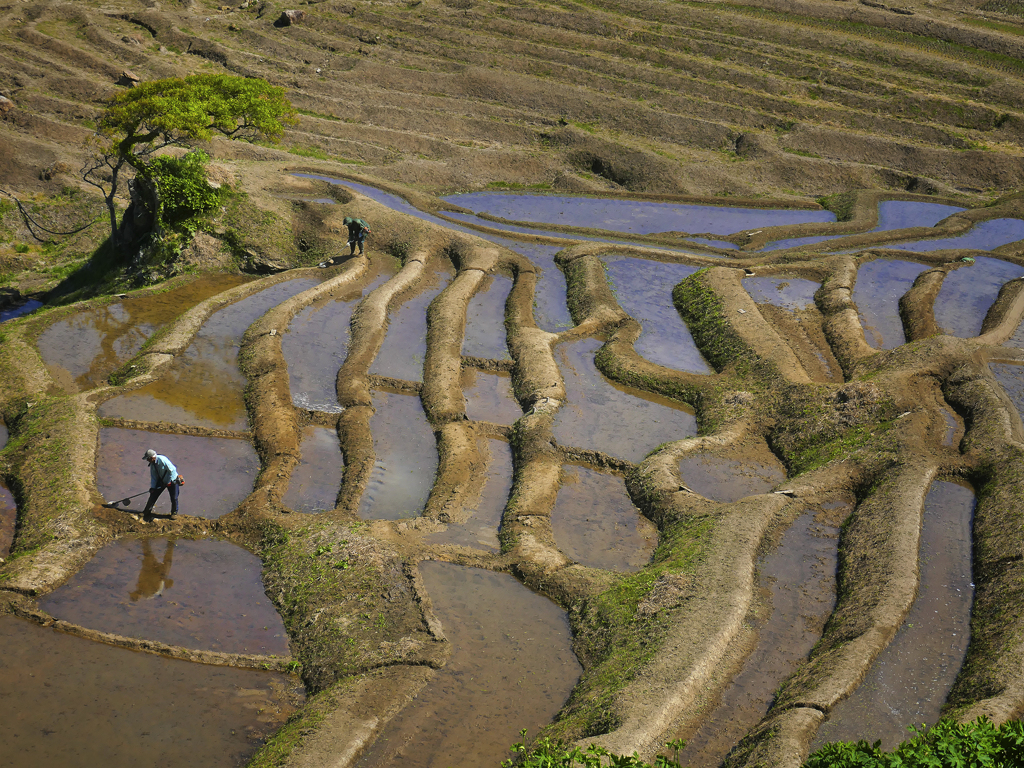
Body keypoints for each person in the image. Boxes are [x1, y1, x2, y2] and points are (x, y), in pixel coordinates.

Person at [142, 448, 179, 518]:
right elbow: (154, 477)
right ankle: (146, 512)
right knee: (153, 495)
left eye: (148, 458)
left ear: (152, 457)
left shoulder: (162, 459)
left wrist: (169, 482)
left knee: (174, 497)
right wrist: (153, 487)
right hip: (161, 480)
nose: (147, 460)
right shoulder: (152, 465)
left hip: (172, 480)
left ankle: (174, 513)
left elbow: (172, 470)